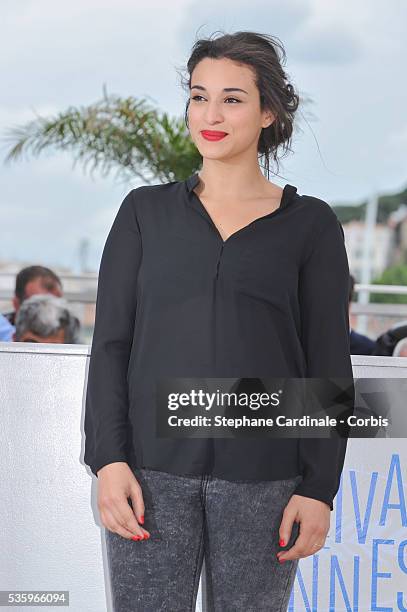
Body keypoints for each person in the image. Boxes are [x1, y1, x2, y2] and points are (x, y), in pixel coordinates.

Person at [84, 31, 354, 611]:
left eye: (232, 99)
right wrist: (108, 460)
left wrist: (319, 489)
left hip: (266, 480)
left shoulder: (310, 226)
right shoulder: (143, 213)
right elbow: (110, 346)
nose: (210, 114)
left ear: (268, 112)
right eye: (198, 96)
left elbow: (328, 359)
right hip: (150, 477)